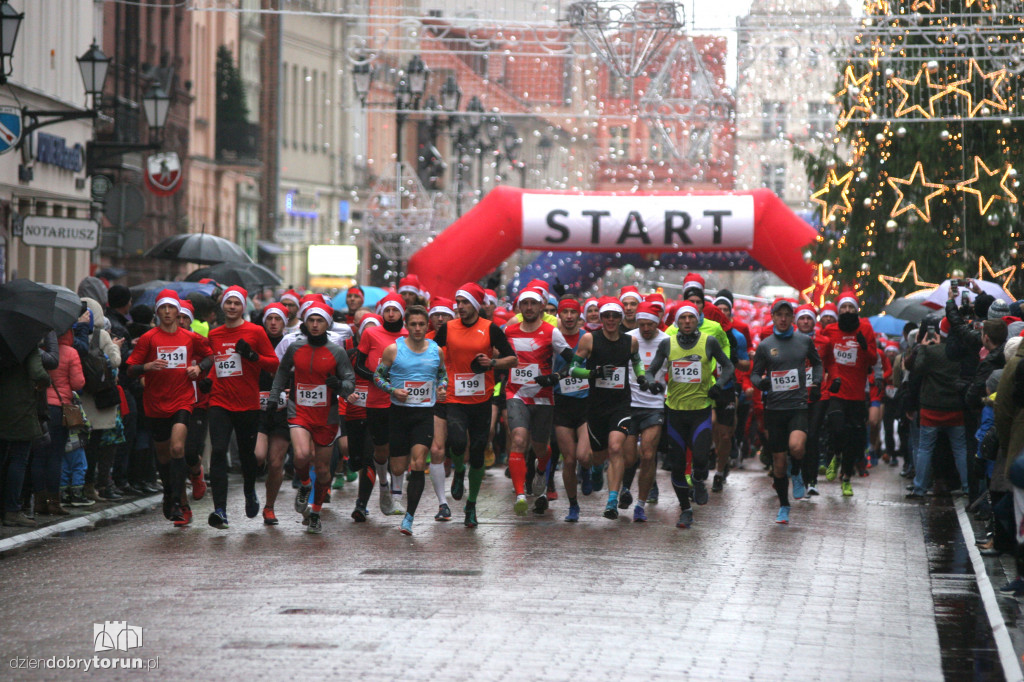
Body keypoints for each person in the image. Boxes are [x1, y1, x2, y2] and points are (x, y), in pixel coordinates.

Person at [432, 282, 517, 527]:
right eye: (458, 302)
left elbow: (513, 359)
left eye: (465, 302)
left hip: (482, 400)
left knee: (479, 453)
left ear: (476, 305)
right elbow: (431, 353)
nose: (460, 307)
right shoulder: (448, 328)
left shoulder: (490, 329)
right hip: (455, 398)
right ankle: (459, 471)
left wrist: (491, 363)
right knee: (458, 442)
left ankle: (472, 505)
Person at [196, 286, 280, 529]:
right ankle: (220, 511)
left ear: (243, 306)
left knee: (247, 455)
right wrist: (208, 379)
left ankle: (249, 490)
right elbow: (217, 362)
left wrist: (253, 357)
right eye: (228, 303)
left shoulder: (255, 332)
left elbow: (274, 364)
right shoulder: (215, 334)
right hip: (219, 401)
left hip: (247, 403)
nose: (231, 307)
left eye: (236, 303)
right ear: (223, 305)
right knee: (219, 451)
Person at [268, 301, 355, 534]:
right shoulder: (295, 347)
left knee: (324, 469)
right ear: (305, 322)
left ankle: (315, 511)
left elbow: (350, 383)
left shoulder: (337, 351)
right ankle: (305, 483)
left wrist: (338, 385)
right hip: (300, 411)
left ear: (327, 324)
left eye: (320, 321)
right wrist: (274, 398)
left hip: (326, 416)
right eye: (311, 320)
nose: (315, 325)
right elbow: (282, 373)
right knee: (302, 455)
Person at [126, 290, 211, 526]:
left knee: (177, 447)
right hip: (155, 403)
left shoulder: (189, 337)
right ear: (157, 311)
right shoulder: (149, 338)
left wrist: (199, 368)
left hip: (183, 400)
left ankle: (177, 500)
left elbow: (210, 356)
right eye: (162, 308)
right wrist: (147, 366)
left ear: (178, 311)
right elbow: (130, 368)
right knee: (163, 456)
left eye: (171, 308)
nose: (167, 312)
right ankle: (171, 496)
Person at [645, 302, 733, 528]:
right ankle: (685, 509)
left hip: (700, 411)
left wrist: (719, 384)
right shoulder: (667, 344)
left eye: (690, 318)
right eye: (682, 318)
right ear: (677, 321)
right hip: (675, 412)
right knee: (676, 466)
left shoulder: (709, 341)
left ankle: (699, 479)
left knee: (701, 458)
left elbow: (729, 366)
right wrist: (652, 383)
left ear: (697, 320)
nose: (686, 322)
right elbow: (650, 370)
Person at [567, 296, 650, 519]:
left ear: (620, 318)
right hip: (596, 406)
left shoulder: (629, 341)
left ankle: (612, 500)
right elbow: (573, 369)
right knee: (597, 456)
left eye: (615, 316)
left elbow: (637, 361)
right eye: (607, 316)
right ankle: (594, 469)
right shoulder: (589, 339)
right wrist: (593, 373)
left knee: (616, 448)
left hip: (621, 405)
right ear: (601, 318)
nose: (611, 320)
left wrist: (641, 377)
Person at [373, 305, 448, 534]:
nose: (417, 328)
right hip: (398, 414)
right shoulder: (393, 350)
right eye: (413, 324)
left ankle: (409, 517)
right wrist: (392, 390)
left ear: (428, 326)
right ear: (406, 326)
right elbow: (377, 376)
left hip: (424, 414)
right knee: (397, 467)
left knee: (418, 464)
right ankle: (387, 489)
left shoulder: (436, 351)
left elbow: (442, 374)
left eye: (421, 324)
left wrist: (442, 388)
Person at [749, 299, 822, 524]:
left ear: (792, 318)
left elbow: (817, 364)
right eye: (778, 315)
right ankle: (784, 505)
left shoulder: (803, 341)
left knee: (797, 447)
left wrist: (816, 383)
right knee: (779, 465)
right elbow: (754, 373)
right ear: (772, 317)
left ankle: (797, 470)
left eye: (787, 315)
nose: (782, 319)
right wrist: (760, 383)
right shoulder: (765, 345)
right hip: (774, 409)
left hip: (798, 405)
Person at [504, 288, 573, 515]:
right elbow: (498, 354)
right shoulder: (509, 331)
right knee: (519, 439)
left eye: (534, 304)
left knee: (541, 447)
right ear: (519, 307)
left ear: (541, 306)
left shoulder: (551, 332)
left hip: (543, 398)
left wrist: (555, 377)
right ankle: (520, 494)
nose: (529, 308)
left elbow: (573, 361)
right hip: (516, 394)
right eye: (525, 304)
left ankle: (542, 470)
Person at [352, 293, 409, 518]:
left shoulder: (409, 334)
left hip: (403, 401)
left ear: (402, 313)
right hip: (376, 401)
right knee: (381, 450)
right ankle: (383, 485)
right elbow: (358, 365)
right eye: (387, 310)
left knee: (400, 449)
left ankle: (396, 497)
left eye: (395, 310)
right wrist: (378, 379)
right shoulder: (371, 333)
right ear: (382, 312)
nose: (391, 314)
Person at [905, 316, 970, 499]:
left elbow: (917, 369)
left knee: (925, 448)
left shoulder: (933, 351)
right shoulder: (960, 351)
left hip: (931, 407)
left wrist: (925, 348)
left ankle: (920, 488)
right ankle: (967, 487)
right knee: (960, 448)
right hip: (955, 407)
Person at [821, 290, 877, 497]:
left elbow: (873, 361)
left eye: (850, 307)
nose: (847, 311)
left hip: (856, 394)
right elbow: (822, 356)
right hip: (835, 390)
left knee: (854, 439)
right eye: (843, 307)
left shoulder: (866, 329)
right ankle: (835, 455)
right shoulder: (830, 330)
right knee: (837, 430)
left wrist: (864, 347)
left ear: (856, 310)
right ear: (838, 310)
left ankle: (846, 478)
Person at [620, 301, 668, 522]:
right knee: (630, 458)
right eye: (641, 325)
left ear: (657, 323)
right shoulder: (629, 338)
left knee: (648, 455)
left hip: (655, 406)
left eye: (650, 325)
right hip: (630, 405)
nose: (645, 329)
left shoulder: (667, 342)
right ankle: (624, 489)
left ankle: (640, 504)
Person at [552, 297, 591, 522]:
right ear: (559, 314)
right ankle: (573, 505)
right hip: (562, 402)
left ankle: (586, 470)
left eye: (572, 312)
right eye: (564, 312)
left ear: (579, 315)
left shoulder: (587, 337)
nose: (568, 316)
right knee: (568, 460)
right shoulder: (553, 337)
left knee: (583, 456)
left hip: (585, 402)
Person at [1, 347, 49, 527]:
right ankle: (12, 510)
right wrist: (45, 381)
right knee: (19, 460)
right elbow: (39, 373)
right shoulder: (26, 343)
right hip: (20, 410)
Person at [40, 326, 85, 515]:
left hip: (39, 406)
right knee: (55, 456)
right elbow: (78, 383)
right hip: (59, 407)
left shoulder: (41, 352)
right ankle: (53, 501)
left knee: (38, 456)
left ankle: (37, 502)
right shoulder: (70, 352)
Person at [254, 303, 290, 525]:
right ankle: (254, 491)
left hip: (282, 411)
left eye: (278, 319)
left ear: (284, 322)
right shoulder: (255, 342)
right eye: (270, 319)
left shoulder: (292, 344)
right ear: (264, 321)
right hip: (258, 409)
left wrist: (292, 387)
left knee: (276, 463)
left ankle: (269, 507)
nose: (273, 323)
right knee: (258, 456)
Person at [427, 298, 455, 520]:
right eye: (436, 315)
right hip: (436, 403)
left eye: (445, 315)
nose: (440, 319)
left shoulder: (463, 338)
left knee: (460, 448)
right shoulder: (424, 340)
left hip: (462, 402)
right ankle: (442, 503)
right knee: (436, 450)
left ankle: (459, 470)